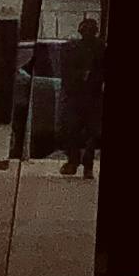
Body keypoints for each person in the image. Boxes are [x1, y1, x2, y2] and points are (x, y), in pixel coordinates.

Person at [56, 20, 103, 179]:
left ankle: (79, 163)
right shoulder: (76, 48)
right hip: (81, 96)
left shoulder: (97, 49)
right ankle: (77, 162)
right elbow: (67, 73)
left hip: (88, 96)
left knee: (85, 132)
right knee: (77, 131)